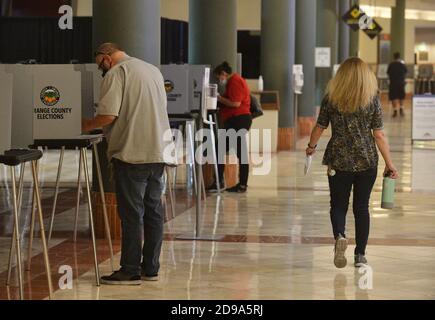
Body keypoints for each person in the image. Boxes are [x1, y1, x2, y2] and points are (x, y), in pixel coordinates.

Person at [82, 43, 175, 285]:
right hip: (159, 151)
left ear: (106, 58)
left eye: (99, 64)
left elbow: (108, 115)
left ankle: (130, 269)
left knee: (132, 214)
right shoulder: (153, 70)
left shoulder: (116, 73)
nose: (100, 69)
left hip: (132, 153)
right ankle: (151, 267)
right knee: (154, 211)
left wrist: (82, 125)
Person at [306, 57, 399, 269]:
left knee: (338, 205)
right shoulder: (371, 99)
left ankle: (340, 235)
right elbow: (379, 135)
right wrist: (389, 163)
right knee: (362, 207)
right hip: (367, 160)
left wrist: (311, 147)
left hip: (339, 160)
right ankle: (360, 255)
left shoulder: (331, 98)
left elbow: (320, 127)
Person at [208, 61, 252, 193]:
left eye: (218, 77)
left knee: (223, 149)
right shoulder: (235, 80)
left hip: (237, 120)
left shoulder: (234, 81)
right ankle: (237, 183)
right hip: (238, 120)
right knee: (231, 150)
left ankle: (223, 182)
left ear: (223, 74)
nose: (219, 80)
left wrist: (219, 98)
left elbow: (236, 103)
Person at [387, 52, 408, 118]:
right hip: (401, 83)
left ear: (394, 57)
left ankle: (395, 111)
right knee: (401, 96)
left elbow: (388, 73)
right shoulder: (402, 64)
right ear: (399, 57)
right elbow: (406, 72)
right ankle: (401, 109)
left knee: (394, 97)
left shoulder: (391, 65)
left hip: (393, 83)